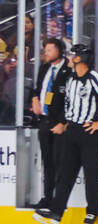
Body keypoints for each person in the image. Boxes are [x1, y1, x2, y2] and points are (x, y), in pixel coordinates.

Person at [33, 43, 98, 224]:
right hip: (72, 130)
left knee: (91, 173)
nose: (70, 58)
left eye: (73, 56)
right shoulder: (70, 79)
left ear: (80, 58)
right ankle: (56, 213)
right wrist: (65, 123)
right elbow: (68, 104)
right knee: (65, 173)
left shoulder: (94, 78)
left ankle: (91, 212)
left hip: (88, 132)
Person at [31, 38, 68, 211]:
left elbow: (70, 99)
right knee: (48, 162)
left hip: (60, 123)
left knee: (59, 161)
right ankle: (47, 196)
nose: (46, 53)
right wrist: (35, 99)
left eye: (50, 50)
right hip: (44, 121)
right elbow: (36, 87)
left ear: (60, 51)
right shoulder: (44, 68)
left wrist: (63, 122)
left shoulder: (69, 70)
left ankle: (58, 201)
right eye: (45, 49)